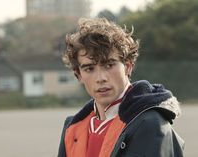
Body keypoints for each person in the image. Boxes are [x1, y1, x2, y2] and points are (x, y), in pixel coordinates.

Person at [57, 18, 184, 157]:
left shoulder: (151, 124)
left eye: (109, 65)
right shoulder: (72, 127)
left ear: (128, 67)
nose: (101, 78)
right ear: (78, 75)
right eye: (89, 68)